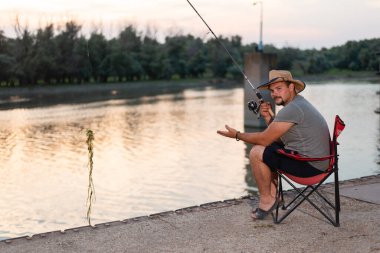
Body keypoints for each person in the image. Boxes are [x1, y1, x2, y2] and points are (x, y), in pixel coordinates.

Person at [217, 70, 330, 220]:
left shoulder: (292, 109)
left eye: (279, 88)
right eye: (272, 90)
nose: (274, 93)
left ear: (291, 88)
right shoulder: (299, 104)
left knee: (257, 152)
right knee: (270, 151)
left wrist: (237, 135)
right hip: (320, 162)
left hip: (310, 166)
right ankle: (275, 196)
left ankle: (267, 200)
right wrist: (268, 117)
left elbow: (264, 139)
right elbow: (279, 140)